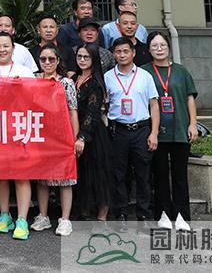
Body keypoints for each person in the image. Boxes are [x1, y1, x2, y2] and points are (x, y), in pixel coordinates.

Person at [0, 32, 35, 240]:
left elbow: (35, 99)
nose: (2, 50)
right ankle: (5, 215)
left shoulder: (25, 71)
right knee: (0, 173)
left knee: (21, 175)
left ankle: (22, 219)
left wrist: (23, 87)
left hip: (18, 127)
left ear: (13, 48)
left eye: (6, 46)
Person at [142, 31, 198, 232]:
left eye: (163, 45)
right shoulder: (144, 71)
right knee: (160, 174)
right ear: (149, 49)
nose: (159, 49)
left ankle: (182, 215)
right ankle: (163, 213)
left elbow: (190, 99)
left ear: (168, 47)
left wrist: (193, 124)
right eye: (154, 46)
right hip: (155, 131)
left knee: (180, 175)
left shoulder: (181, 71)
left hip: (180, 128)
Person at [106, 37, 160, 231]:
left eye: (126, 51)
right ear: (114, 54)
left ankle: (143, 214)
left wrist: (154, 133)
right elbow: (104, 105)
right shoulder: (108, 77)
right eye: (118, 52)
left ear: (133, 53)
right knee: (118, 174)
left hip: (141, 130)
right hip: (118, 131)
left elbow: (154, 105)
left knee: (143, 174)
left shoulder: (145, 76)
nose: (122, 55)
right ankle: (120, 214)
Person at [32, 46, 78, 237]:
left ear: (58, 61)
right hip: (40, 135)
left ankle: (65, 219)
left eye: (51, 59)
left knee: (65, 178)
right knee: (42, 178)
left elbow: (73, 111)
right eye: (43, 59)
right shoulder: (33, 80)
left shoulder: (66, 83)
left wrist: (75, 138)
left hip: (62, 135)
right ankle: (43, 216)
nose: (47, 63)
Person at [73, 43, 114, 225]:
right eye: (79, 56)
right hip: (75, 132)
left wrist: (82, 136)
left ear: (94, 59)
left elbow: (92, 112)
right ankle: (84, 212)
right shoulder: (73, 79)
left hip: (94, 135)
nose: (82, 60)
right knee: (83, 174)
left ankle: (102, 216)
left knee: (99, 175)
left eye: (86, 57)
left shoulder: (96, 83)